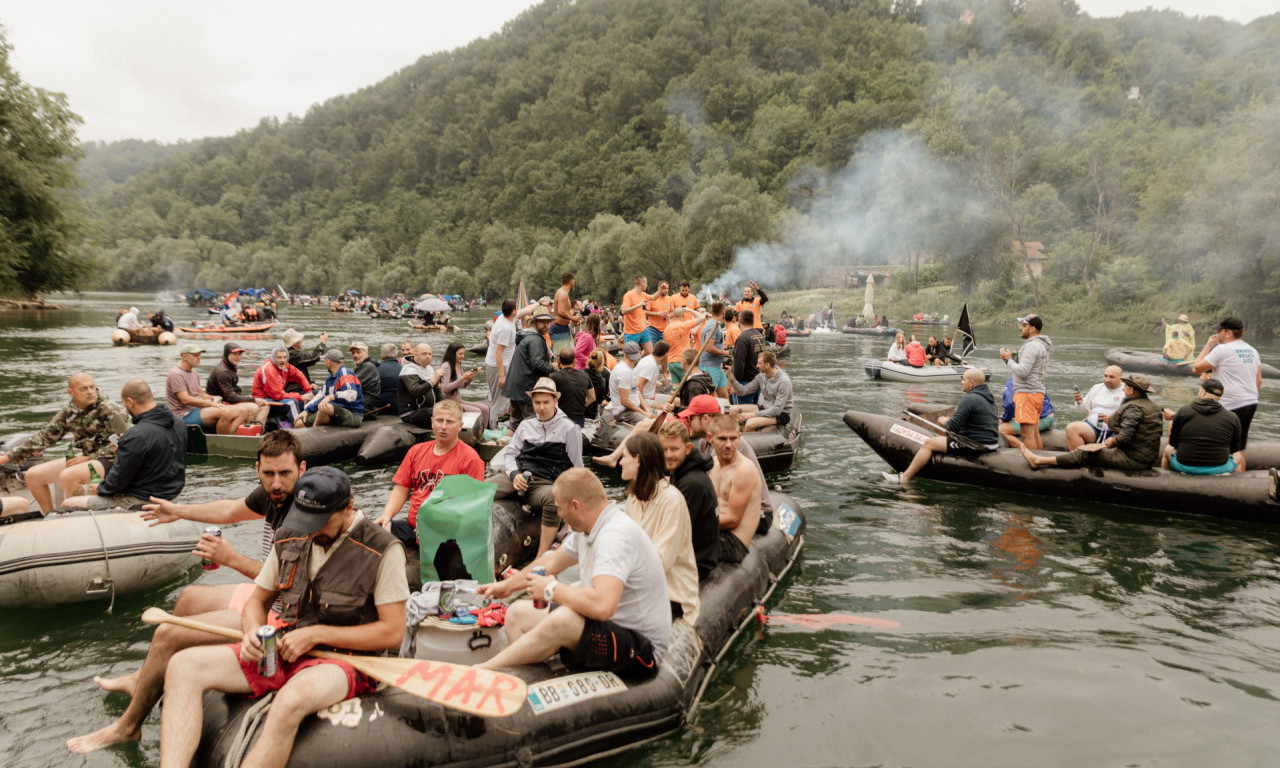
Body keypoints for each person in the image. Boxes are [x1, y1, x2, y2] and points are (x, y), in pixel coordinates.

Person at [67, 431, 306, 755]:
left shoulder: (305, 513)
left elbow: (289, 586)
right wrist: (178, 511)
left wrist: (231, 559)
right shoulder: (272, 495)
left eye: (285, 474)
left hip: (288, 612)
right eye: (268, 474)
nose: (276, 483)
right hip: (266, 597)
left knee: (168, 634)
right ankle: (145, 679)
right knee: (188, 598)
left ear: (301, 469)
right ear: (258, 469)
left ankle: (128, 726)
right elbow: (229, 510)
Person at [157, 467, 408, 768]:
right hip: (284, 649)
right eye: (305, 521)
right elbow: (257, 601)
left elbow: (393, 632)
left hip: (346, 661)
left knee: (290, 700)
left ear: (348, 508)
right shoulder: (289, 536)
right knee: (182, 666)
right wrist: (252, 631)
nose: (311, 531)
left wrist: (317, 635)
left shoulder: (383, 548)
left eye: (321, 522)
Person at [476, 469, 668, 679]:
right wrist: (506, 587)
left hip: (641, 648)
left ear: (575, 506)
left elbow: (602, 605)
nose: (558, 514)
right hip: (605, 627)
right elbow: (551, 561)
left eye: (559, 508)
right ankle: (530, 679)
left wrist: (551, 589)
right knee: (516, 614)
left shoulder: (614, 536)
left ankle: (486, 670)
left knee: (564, 619)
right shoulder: (588, 528)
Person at [0, 372, 129, 513]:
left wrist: (90, 457)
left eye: (92, 387)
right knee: (33, 475)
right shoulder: (69, 412)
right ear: (70, 392)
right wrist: (6, 458)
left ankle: (80, 517)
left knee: (69, 476)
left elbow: (128, 443)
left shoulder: (109, 409)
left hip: (112, 460)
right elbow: (44, 438)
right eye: (84, 388)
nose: (90, 392)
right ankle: (50, 517)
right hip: (87, 459)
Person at [375, 400, 486, 550]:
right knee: (373, 532)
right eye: (440, 420)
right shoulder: (416, 451)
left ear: (460, 426)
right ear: (432, 422)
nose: (444, 427)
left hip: (448, 532)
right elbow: (401, 488)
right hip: (413, 527)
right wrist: (386, 517)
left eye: (450, 422)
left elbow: (471, 508)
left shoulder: (471, 459)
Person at [61, 380, 185, 510]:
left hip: (141, 499)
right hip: (172, 495)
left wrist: (100, 488)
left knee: (69, 504)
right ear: (151, 395)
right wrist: (126, 448)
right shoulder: (178, 422)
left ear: (130, 402)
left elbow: (117, 483)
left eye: (125, 404)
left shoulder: (136, 435)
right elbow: (162, 456)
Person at [493, 378, 584, 557]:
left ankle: (541, 556)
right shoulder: (526, 424)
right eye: (537, 403)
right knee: (482, 490)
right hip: (518, 477)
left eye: (546, 402)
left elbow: (577, 465)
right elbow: (510, 454)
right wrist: (514, 474)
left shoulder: (569, 428)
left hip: (545, 484)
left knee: (552, 496)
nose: (541, 407)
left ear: (555, 401)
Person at [618, 432, 699, 621]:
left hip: (671, 596)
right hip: (640, 590)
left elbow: (660, 562)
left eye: (624, 456)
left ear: (638, 460)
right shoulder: (633, 497)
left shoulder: (672, 500)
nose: (620, 462)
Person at [1022, 373, 1163, 472]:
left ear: (1131, 390)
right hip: (1145, 456)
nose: (1124, 388)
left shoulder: (1134, 408)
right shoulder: (1153, 406)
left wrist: (1111, 442)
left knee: (1085, 453)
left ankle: (1039, 461)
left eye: (1126, 386)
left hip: (1132, 458)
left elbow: (1125, 437)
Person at [883, 368, 999, 485]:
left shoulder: (969, 399)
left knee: (930, 443)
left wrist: (945, 421)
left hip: (976, 445)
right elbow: (976, 422)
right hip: (992, 443)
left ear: (971, 383)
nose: (961, 382)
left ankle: (904, 478)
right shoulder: (990, 400)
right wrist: (953, 421)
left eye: (963, 379)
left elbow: (952, 426)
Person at [680, 394, 774, 531]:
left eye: (690, 418)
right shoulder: (704, 443)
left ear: (705, 418)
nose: (687, 422)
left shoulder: (726, 446)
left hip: (759, 514)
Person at [659, 420, 719, 582]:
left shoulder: (692, 483)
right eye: (664, 450)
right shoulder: (681, 472)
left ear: (688, 449)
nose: (669, 455)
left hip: (696, 563)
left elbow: (675, 534)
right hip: (692, 555)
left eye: (674, 449)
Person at [1193, 316, 1261, 449]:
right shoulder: (1253, 351)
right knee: (1239, 447)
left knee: (1221, 445)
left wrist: (1208, 345)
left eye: (1219, 330)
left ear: (1228, 333)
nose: (1217, 334)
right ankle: (1239, 469)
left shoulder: (1222, 349)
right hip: (1251, 402)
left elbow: (1196, 368)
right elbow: (1259, 380)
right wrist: (1248, 396)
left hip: (1231, 404)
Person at [166, 344, 257, 435]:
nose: (199, 358)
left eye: (199, 355)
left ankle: (232, 439)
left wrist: (214, 398)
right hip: (184, 414)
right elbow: (185, 399)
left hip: (199, 409)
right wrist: (210, 403)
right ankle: (221, 443)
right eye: (195, 355)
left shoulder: (194, 372)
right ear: (184, 356)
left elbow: (201, 394)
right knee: (225, 412)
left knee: (243, 411)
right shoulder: (176, 374)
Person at [706, 414, 760, 565]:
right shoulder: (714, 463)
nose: (729, 444)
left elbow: (732, 520)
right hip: (717, 532)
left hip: (734, 543)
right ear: (710, 438)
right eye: (722, 439)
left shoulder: (744, 469)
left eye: (733, 438)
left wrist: (695, 524)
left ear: (740, 437)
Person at [1162, 378, 1244, 475]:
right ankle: (1234, 486)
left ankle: (1165, 482)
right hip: (1219, 468)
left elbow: (1173, 443)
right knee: (1238, 455)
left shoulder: (1183, 411)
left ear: (1202, 392)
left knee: (1167, 449)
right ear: (1220, 396)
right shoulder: (1233, 417)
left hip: (1184, 465)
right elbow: (1234, 449)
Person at [1000, 313, 1052, 452]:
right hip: (1036, 392)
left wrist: (1007, 360)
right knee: (1034, 433)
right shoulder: (1040, 345)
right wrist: (1014, 358)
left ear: (1033, 328)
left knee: (1027, 435)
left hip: (1027, 394)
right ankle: (1039, 460)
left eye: (1024, 325)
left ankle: (1031, 464)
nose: (1020, 328)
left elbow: (1023, 371)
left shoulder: (1032, 346)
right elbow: (1030, 367)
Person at [502, 307, 557, 432]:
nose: (546, 325)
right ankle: (528, 449)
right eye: (543, 322)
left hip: (515, 387)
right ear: (535, 323)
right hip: (525, 389)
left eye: (548, 322)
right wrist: (552, 367)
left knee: (515, 422)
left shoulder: (526, 336)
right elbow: (537, 364)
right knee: (532, 422)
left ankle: (506, 447)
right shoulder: (535, 339)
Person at [727, 350, 795, 432]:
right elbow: (743, 391)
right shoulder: (761, 377)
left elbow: (777, 410)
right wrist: (731, 378)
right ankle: (737, 437)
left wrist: (752, 415)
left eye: (759, 363)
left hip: (780, 415)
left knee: (749, 424)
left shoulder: (784, 381)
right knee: (733, 410)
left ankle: (748, 442)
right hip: (765, 408)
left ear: (767, 365)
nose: (756, 365)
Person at [295, 349, 364, 428]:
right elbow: (321, 395)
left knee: (325, 407)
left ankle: (314, 429)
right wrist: (307, 410)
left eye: (325, 360)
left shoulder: (345, 374)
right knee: (299, 423)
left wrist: (331, 397)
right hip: (333, 412)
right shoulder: (330, 378)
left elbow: (352, 395)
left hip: (352, 414)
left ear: (328, 363)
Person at [206, 343, 270, 425]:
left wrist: (251, 400)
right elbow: (230, 396)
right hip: (220, 403)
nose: (237, 357)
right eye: (234, 354)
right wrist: (254, 400)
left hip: (228, 400)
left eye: (239, 354)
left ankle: (256, 430)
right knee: (254, 407)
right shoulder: (223, 371)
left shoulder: (231, 366)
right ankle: (249, 433)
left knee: (265, 406)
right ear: (227, 354)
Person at [1065, 365, 1126, 450]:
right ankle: (1078, 459)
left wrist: (1113, 421)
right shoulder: (1097, 388)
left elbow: (1130, 417)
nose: (1107, 380)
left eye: (1111, 377)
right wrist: (1080, 403)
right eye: (1105, 376)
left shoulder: (1126, 391)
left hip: (1114, 430)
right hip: (1093, 427)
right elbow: (1082, 410)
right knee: (1071, 428)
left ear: (1120, 378)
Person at [251, 346, 314, 425]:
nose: (282, 360)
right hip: (264, 400)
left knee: (311, 395)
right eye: (279, 358)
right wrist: (301, 397)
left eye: (284, 357)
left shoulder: (285, 366)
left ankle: (306, 420)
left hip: (274, 397)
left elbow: (299, 375)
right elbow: (278, 396)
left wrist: (308, 391)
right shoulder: (269, 370)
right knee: (292, 403)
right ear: (274, 358)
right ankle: (298, 426)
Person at [438, 341, 490, 428]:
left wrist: (470, 377)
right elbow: (444, 388)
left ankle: (483, 433)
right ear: (453, 354)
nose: (463, 356)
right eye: (460, 354)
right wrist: (462, 378)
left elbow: (463, 386)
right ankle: (477, 435)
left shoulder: (459, 365)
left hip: (459, 400)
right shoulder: (446, 366)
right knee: (477, 411)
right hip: (449, 402)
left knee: (485, 409)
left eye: (463, 353)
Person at [485, 299, 518, 428]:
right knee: (499, 401)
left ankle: (496, 425)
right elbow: (498, 353)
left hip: (496, 364)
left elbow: (523, 311)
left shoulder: (503, 318)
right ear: (513, 311)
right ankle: (493, 430)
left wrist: (539, 303)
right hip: (498, 366)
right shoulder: (506, 328)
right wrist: (502, 375)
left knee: (500, 399)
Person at [997, 376, 1054, 449]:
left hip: (1038, 419)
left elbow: (1010, 404)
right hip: (1049, 416)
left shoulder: (1013, 382)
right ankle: (1039, 455)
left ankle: (1024, 449)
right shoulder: (1036, 379)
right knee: (1035, 434)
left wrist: (1005, 418)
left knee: (999, 431)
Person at [399, 342, 443, 428]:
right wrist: (433, 380)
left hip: (427, 410)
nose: (428, 356)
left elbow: (437, 391)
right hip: (411, 413)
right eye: (424, 354)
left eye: (430, 354)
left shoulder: (429, 368)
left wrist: (446, 404)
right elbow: (415, 391)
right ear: (415, 355)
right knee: (437, 413)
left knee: (454, 409)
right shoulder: (408, 369)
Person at [550, 347, 594, 428]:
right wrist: (580, 406)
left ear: (559, 360)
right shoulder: (585, 376)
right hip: (579, 418)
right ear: (574, 361)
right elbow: (592, 397)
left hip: (561, 418)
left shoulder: (554, 377)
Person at [731, 310, 767, 405]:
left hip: (745, 382)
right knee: (753, 412)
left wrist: (736, 384)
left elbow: (739, 363)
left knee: (742, 414)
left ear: (740, 321)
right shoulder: (760, 336)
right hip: (758, 381)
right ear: (753, 321)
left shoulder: (742, 338)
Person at [663, 307, 707, 384]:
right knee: (688, 387)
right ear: (683, 315)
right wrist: (690, 310)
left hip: (671, 363)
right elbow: (703, 317)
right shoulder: (684, 325)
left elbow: (694, 331)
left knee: (676, 389)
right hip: (682, 362)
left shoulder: (667, 328)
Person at [608, 341, 648, 425]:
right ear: (624, 353)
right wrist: (644, 413)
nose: (633, 359)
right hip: (624, 412)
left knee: (660, 413)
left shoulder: (630, 369)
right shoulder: (624, 372)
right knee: (650, 422)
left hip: (634, 407)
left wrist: (645, 408)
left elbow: (636, 391)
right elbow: (624, 401)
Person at [697, 302, 730, 399]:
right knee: (709, 397)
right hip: (709, 367)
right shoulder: (712, 325)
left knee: (724, 395)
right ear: (723, 312)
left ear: (711, 311)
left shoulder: (716, 324)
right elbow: (708, 347)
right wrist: (726, 353)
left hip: (717, 366)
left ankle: (725, 414)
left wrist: (724, 349)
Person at [348, 342, 382, 416]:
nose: (355, 355)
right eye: (353, 353)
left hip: (365, 408)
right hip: (361, 405)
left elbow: (349, 385)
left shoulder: (368, 366)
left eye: (358, 352)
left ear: (366, 353)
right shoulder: (360, 367)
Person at [620, 275, 652, 354]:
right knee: (629, 357)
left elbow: (654, 297)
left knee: (651, 353)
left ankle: (641, 365)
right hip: (631, 333)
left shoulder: (643, 294)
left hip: (643, 330)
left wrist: (660, 289)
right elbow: (623, 311)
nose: (647, 285)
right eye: (646, 283)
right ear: (642, 283)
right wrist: (638, 305)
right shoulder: (628, 295)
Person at [550, 272, 580, 353]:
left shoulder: (561, 292)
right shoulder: (563, 293)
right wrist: (573, 318)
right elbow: (561, 312)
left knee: (569, 355)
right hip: (559, 328)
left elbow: (563, 310)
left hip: (562, 328)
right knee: (563, 357)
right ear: (571, 282)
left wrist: (572, 316)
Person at [634, 340, 669, 408]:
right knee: (668, 409)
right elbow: (638, 385)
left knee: (677, 401)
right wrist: (642, 406)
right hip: (643, 399)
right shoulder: (650, 364)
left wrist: (660, 383)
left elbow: (648, 378)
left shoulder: (654, 360)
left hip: (651, 395)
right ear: (665, 354)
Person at [372, 343, 402, 413]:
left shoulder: (377, 369)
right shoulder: (404, 368)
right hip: (399, 407)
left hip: (381, 406)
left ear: (382, 356)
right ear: (396, 355)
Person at [644, 280, 673, 348]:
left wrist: (669, 315)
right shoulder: (652, 298)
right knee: (650, 349)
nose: (666, 290)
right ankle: (644, 358)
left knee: (662, 351)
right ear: (659, 288)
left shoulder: (669, 299)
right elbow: (644, 313)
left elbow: (672, 312)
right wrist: (658, 314)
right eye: (664, 288)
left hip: (665, 330)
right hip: (652, 328)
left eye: (667, 288)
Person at [584, 348, 610, 422]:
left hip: (580, 411)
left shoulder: (581, 374)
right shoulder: (602, 380)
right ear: (602, 363)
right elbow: (599, 399)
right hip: (592, 413)